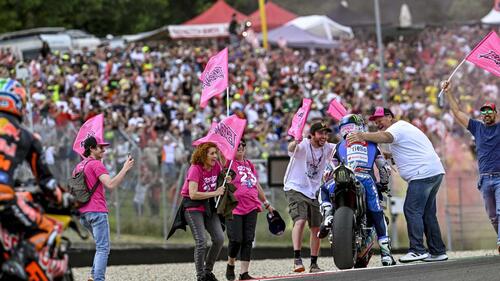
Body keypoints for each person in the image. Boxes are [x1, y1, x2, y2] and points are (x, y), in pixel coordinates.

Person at [347, 107, 448, 263]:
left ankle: (417, 250)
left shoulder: (397, 128)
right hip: (433, 172)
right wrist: (388, 155)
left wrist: (362, 135)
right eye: (375, 121)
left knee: (411, 209)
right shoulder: (403, 128)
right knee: (427, 214)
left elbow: (385, 137)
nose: (377, 123)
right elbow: (407, 150)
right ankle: (438, 251)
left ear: (389, 117)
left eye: (379, 119)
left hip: (422, 174)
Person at [0, 78, 73, 279]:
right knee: (48, 228)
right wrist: (63, 198)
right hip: (2, 198)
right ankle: (16, 262)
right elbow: (47, 182)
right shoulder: (26, 136)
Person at [319, 114, 396, 266]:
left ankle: (328, 213)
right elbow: (384, 169)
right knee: (377, 212)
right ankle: (386, 255)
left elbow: (328, 170)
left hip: (341, 178)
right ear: (360, 127)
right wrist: (384, 184)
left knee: (323, 190)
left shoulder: (339, 145)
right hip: (365, 178)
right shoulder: (373, 144)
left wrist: (328, 179)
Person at [442, 80, 500, 252]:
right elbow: (457, 112)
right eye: (484, 111)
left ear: (496, 113)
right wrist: (448, 93)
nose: (486, 113)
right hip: (484, 179)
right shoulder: (477, 127)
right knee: (493, 217)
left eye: (489, 110)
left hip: (499, 177)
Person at [75, 136, 134, 281]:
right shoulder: (96, 164)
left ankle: (93, 276)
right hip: (97, 211)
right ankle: (98, 279)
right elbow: (111, 184)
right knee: (103, 248)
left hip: (83, 213)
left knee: (101, 246)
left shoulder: (78, 166)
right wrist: (125, 168)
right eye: (100, 147)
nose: (104, 149)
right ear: (91, 149)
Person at [284, 121, 335, 273]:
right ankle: (297, 259)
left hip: (314, 191)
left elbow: (343, 148)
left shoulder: (327, 147)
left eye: (326, 133)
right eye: (320, 133)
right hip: (295, 187)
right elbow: (291, 149)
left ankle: (314, 264)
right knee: (300, 220)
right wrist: (295, 141)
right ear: (312, 135)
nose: (324, 137)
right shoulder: (303, 144)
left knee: (316, 228)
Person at [224, 139, 274, 281]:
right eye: (237, 145)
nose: (240, 147)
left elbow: (256, 184)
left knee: (248, 239)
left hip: (251, 206)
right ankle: (230, 263)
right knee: (236, 239)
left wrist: (266, 203)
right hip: (234, 207)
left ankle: (244, 273)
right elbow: (222, 158)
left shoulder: (249, 164)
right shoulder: (228, 163)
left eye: (243, 145)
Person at [180, 142, 226, 281]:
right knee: (201, 241)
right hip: (192, 206)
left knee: (219, 239)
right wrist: (215, 193)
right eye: (212, 153)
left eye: (216, 153)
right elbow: (193, 194)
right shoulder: (195, 168)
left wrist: (226, 179)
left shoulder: (216, 165)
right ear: (203, 155)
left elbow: (222, 175)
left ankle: (208, 271)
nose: (215, 156)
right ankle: (200, 276)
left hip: (208, 206)